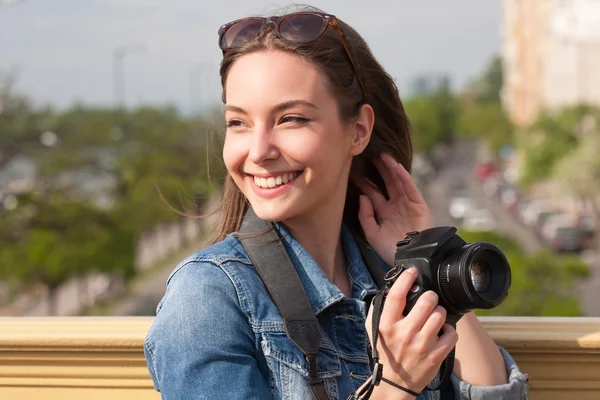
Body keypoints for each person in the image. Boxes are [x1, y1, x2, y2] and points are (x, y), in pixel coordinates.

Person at [144, 6, 529, 400]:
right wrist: (395, 386)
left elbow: (494, 393)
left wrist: (421, 258)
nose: (258, 151)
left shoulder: (383, 274)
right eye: (238, 123)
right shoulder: (207, 297)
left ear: (358, 130)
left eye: (291, 119)